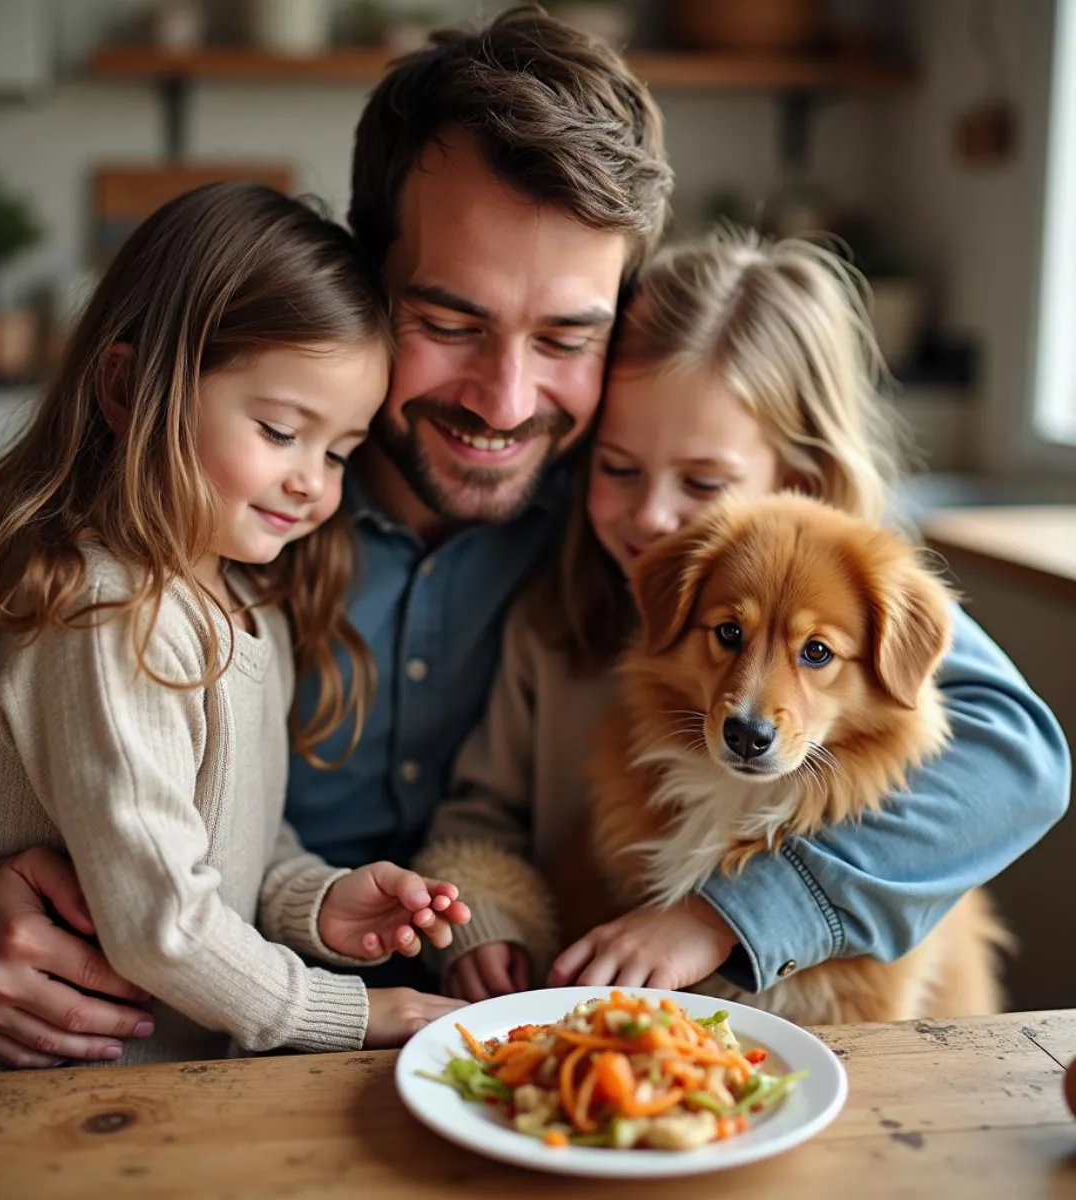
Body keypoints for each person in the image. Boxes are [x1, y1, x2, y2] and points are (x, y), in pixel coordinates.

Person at [0, 8, 1068, 1065]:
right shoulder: (215, 487)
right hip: (182, 1058)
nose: (503, 403)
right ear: (365, 274)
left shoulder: (640, 527)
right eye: (449, 320)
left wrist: (741, 919)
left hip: (494, 1061)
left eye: (565, 338)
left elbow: (1012, 745)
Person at [0, 183, 468, 1078]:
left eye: (340, 451)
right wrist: (353, 1011)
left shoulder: (247, 603)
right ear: (125, 387)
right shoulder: (104, 615)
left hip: (153, 1102)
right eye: (279, 429)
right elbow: (163, 928)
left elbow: (231, 841)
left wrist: (316, 903)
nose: (313, 481)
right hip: (7, 1110)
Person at [418, 229, 1026, 999]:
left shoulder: (858, 584)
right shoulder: (552, 617)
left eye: (704, 483)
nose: (655, 518)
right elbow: (481, 817)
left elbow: (1024, 755)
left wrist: (723, 918)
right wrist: (489, 919)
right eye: (618, 468)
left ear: (799, 476)